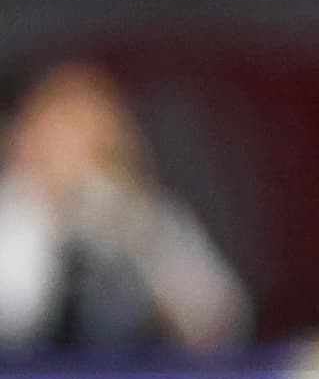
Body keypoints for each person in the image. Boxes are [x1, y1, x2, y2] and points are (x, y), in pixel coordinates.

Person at [0, 59, 248, 354]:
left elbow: (217, 317)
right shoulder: (12, 209)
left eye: (77, 133)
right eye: (48, 128)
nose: (59, 146)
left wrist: (136, 246)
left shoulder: (137, 215)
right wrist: (44, 223)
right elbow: (16, 319)